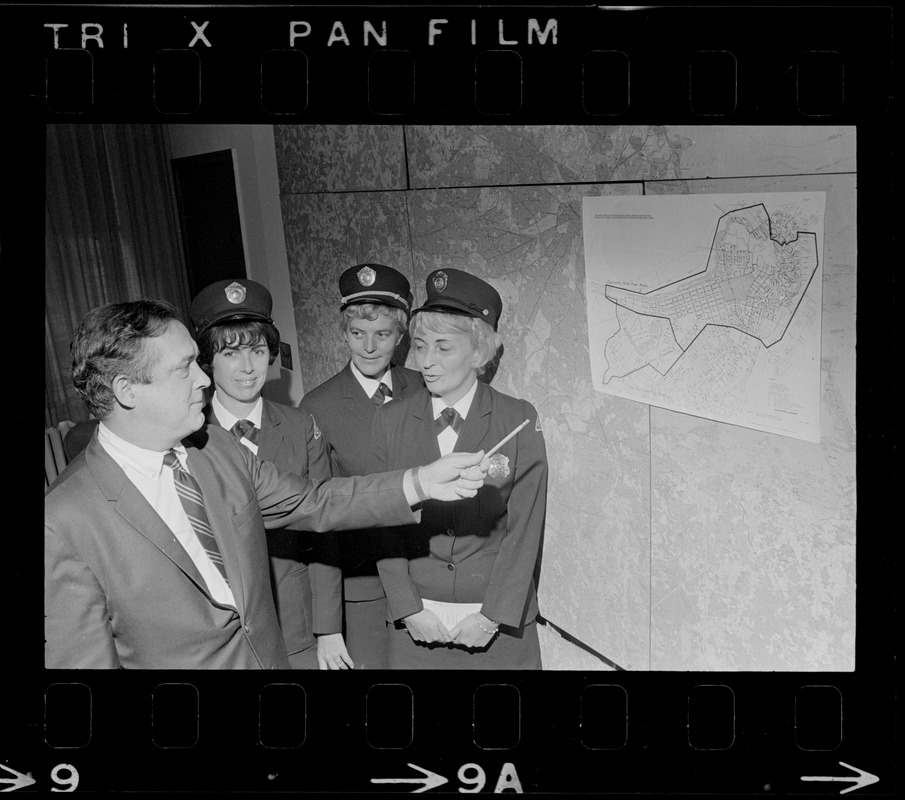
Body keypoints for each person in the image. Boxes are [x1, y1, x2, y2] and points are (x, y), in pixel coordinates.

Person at [44, 298, 486, 670]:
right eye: (185, 369)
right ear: (127, 390)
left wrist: (420, 482)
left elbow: (316, 501)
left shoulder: (215, 448)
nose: (204, 379)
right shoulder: (64, 521)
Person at [370, 268, 548, 669]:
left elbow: (526, 528)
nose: (427, 362)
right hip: (416, 621)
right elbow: (380, 522)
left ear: (479, 352)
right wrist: (406, 608)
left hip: (496, 621)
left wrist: (492, 617)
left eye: (444, 348)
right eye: (419, 347)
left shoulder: (517, 420)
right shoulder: (389, 420)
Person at [190, 278, 345, 670]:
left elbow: (325, 531)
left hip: (297, 626)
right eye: (230, 354)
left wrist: (328, 628)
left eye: (258, 351)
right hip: (220, 632)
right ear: (208, 360)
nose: (247, 368)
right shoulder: (188, 435)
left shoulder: (300, 426)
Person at [299, 264, 423, 669]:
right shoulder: (318, 407)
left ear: (400, 336)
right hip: (364, 588)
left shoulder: (422, 388)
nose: (368, 347)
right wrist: (327, 626)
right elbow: (318, 518)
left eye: (382, 334)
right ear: (344, 333)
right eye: (357, 334)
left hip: (427, 577)